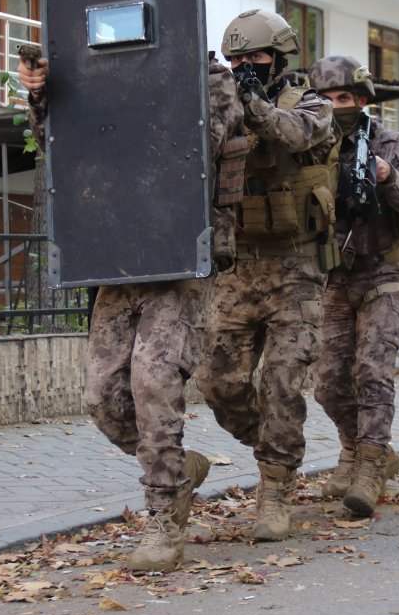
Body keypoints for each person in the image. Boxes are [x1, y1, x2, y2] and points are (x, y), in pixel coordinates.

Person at [17, 51, 246, 571]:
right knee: (103, 398)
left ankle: (164, 519)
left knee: (153, 382)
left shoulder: (211, 81)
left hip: (180, 257)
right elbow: (61, 140)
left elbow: (194, 144)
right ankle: (180, 468)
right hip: (115, 257)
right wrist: (44, 93)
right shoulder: (97, 79)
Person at [196, 8, 336, 541]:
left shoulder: (313, 103)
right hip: (238, 266)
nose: (244, 67)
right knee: (219, 383)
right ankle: (273, 450)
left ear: (280, 57)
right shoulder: (226, 104)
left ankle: (275, 490)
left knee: (281, 385)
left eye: (255, 57)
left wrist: (249, 100)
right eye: (235, 60)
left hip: (296, 268)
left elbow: (293, 136)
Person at [307, 55, 399, 517]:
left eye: (343, 98)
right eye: (325, 98)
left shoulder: (393, 144)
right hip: (334, 276)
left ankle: (369, 466)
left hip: (383, 273)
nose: (335, 106)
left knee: (372, 372)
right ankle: (353, 450)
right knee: (329, 383)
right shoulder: (311, 144)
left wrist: (387, 177)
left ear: (361, 100)